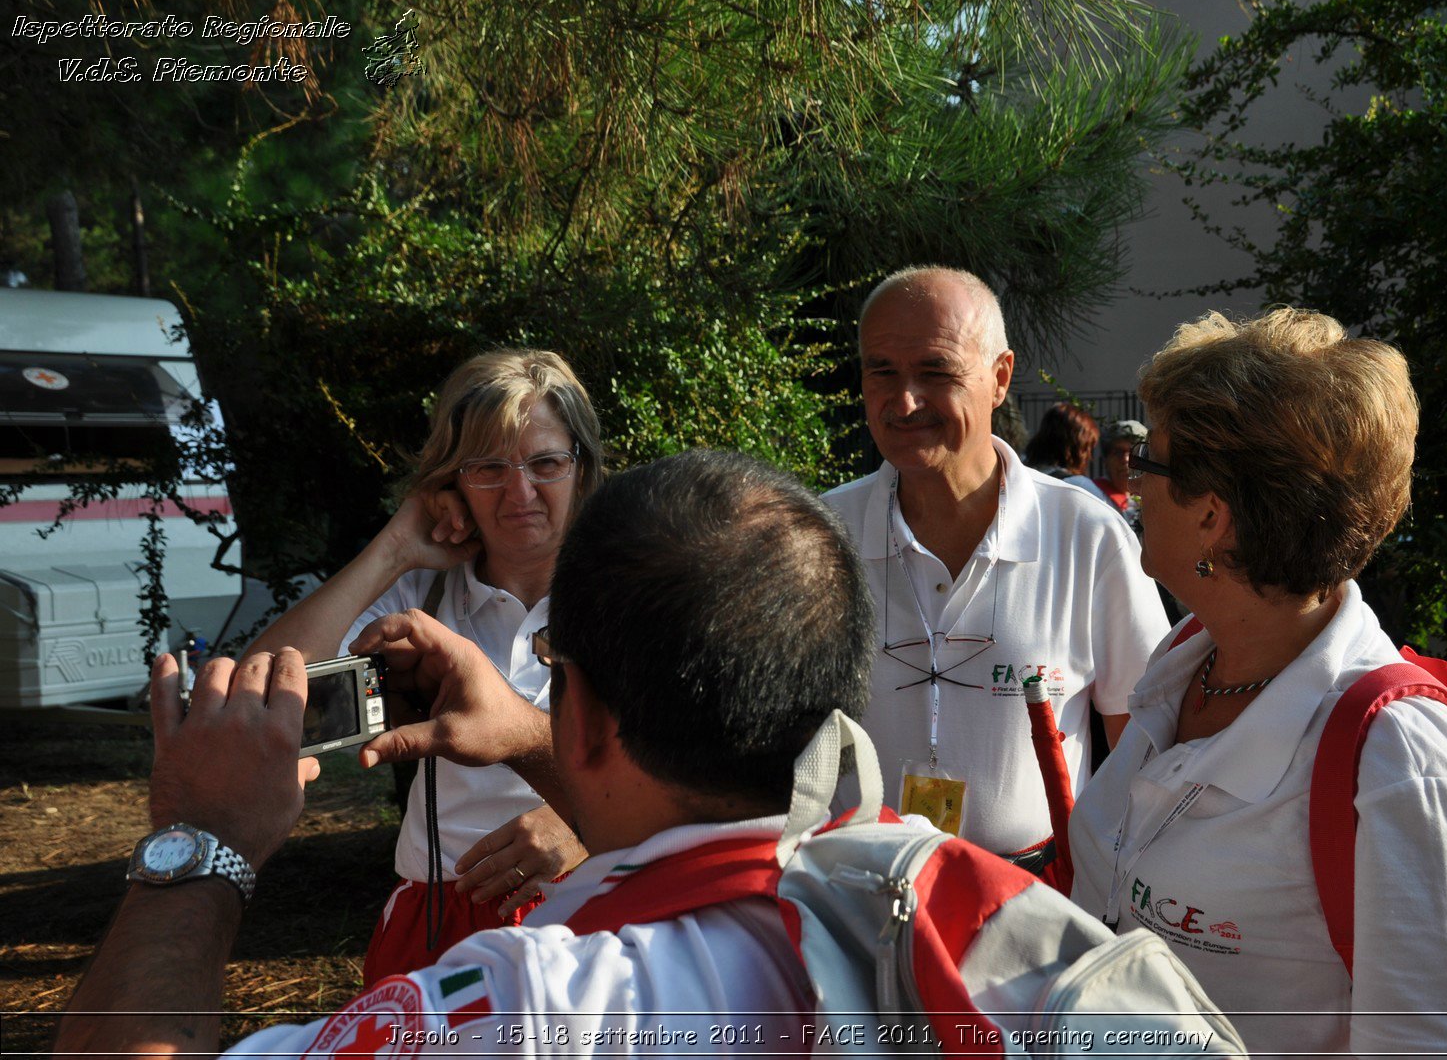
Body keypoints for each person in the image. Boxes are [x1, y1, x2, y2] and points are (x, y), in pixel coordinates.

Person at [55, 450, 875, 1056]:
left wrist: (202, 840)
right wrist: (528, 732)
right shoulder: (894, 909)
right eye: (488, 466)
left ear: (577, 713)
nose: (519, 489)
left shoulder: (529, 1010)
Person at [1067, 308, 1447, 1055]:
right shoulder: (1187, 658)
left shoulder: (1404, 765)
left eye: (1147, 465)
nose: (1126, 487)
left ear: (1212, 514)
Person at [245, 349, 603, 983]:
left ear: (581, 466)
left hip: (595, 899)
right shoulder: (424, 595)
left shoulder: (632, 588)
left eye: (545, 463)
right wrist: (395, 548)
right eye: (488, 468)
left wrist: (588, 818)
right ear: (451, 481)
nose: (520, 492)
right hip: (440, 914)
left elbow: (698, 759)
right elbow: (259, 691)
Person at [822, 265, 1168, 868]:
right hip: (855, 900)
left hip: (1035, 906)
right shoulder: (822, 535)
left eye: (935, 371)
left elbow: (1147, 748)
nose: (904, 401)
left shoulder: (1086, 536)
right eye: (882, 371)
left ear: (1000, 378)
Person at [1023, 401, 1112, 506]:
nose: (1090, 455)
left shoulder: (1017, 472)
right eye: (1089, 447)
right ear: (1079, 448)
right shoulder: (1080, 487)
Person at [1093, 418, 1146, 526]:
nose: (1126, 459)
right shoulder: (1094, 496)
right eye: (1118, 452)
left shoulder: (1156, 497)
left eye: (1133, 452)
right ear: (1106, 460)